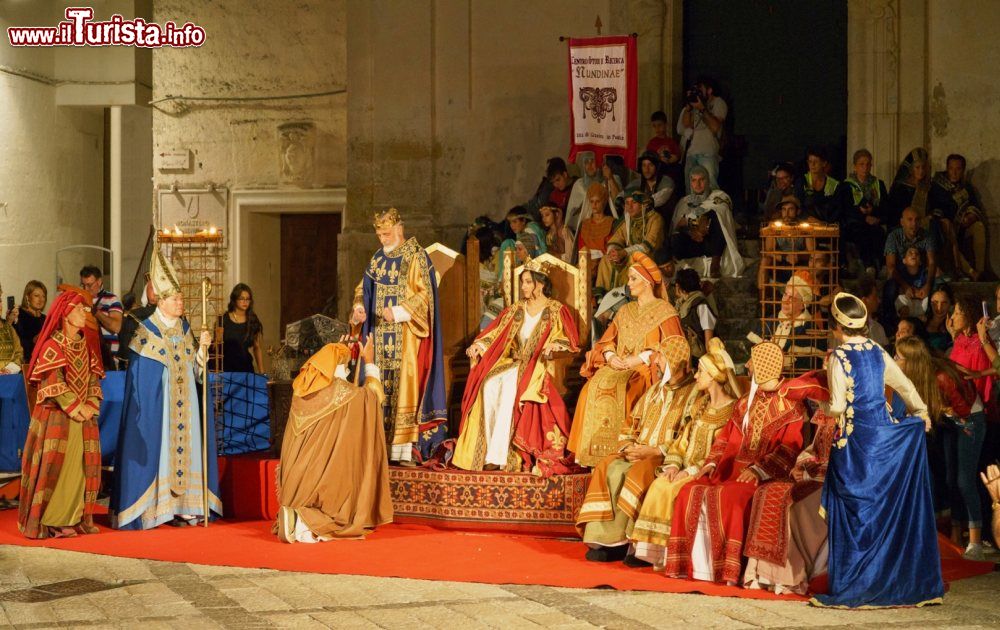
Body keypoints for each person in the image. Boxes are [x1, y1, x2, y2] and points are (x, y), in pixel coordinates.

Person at [810, 293, 942, 608]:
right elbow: (905, 385)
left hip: (856, 444)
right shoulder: (877, 350)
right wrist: (921, 413)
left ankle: (856, 583)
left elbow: (840, 406)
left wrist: (821, 405)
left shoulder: (839, 357)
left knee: (856, 515)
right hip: (882, 439)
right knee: (881, 512)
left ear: (836, 326)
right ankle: (888, 578)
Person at [664, 341, 808, 585]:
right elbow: (725, 438)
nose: (748, 366)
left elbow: (789, 449)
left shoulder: (792, 406)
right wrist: (710, 463)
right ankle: (693, 567)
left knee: (731, 498)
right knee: (689, 490)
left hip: (765, 475)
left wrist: (758, 470)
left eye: (753, 361)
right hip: (729, 470)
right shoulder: (744, 403)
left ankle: (726, 570)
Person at [110, 245, 222, 529]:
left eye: (181, 298)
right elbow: (141, 381)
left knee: (189, 451)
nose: (180, 303)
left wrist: (203, 352)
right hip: (161, 410)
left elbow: (196, 373)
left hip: (186, 407)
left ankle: (186, 507)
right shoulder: (146, 330)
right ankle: (158, 508)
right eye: (175, 298)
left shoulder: (185, 330)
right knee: (161, 452)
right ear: (161, 300)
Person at [577, 335, 699, 563]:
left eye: (661, 357)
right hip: (638, 451)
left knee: (634, 474)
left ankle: (635, 546)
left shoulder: (694, 395)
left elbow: (689, 436)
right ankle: (608, 542)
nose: (656, 362)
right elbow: (631, 423)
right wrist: (629, 445)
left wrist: (655, 451)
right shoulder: (654, 391)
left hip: (664, 457)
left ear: (674, 360)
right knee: (608, 467)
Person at [454, 260, 580, 476]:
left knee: (510, 390)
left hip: (538, 364)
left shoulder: (555, 310)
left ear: (540, 285)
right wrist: (479, 345)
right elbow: (495, 334)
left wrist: (554, 346)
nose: (523, 287)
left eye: (528, 282)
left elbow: (569, 339)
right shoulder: (516, 309)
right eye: (522, 282)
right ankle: (487, 454)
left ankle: (504, 456)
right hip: (513, 362)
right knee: (489, 384)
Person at [630, 338, 740, 569]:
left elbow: (720, 452)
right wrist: (672, 465)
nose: (696, 376)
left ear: (712, 376)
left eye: (700, 372)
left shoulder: (730, 412)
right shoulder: (700, 405)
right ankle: (655, 552)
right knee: (660, 484)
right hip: (683, 467)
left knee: (674, 491)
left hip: (706, 471)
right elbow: (683, 440)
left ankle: (673, 553)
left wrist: (689, 470)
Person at [351, 208, 448, 465]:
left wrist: (398, 311)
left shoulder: (416, 256)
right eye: (380, 235)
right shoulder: (377, 259)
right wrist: (359, 306)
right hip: (379, 337)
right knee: (377, 385)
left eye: (386, 233)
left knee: (403, 389)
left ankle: (403, 450)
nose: (383, 239)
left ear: (399, 229)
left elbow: (425, 296)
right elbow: (363, 287)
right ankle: (377, 446)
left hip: (405, 337)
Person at [568, 252, 683, 467]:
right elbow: (606, 341)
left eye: (633, 279)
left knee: (629, 392)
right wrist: (610, 356)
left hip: (645, 370)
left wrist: (640, 358)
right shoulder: (624, 310)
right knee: (589, 389)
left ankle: (622, 451)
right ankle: (589, 454)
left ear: (647, 283)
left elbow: (675, 350)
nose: (628, 283)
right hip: (617, 366)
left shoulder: (665, 312)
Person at [274, 338, 393, 543]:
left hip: (294, 484)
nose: (346, 372)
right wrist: (370, 362)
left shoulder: (300, 392)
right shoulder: (342, 393)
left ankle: (294, 514)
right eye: (345, 366)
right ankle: (303, 520)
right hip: (320, 483)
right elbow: (373, 397)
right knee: (337, 504)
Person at [17, 286, 104, 539]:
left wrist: (89, 405)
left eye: (86, 309)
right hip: (58, 416)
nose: (84, 313)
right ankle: (53, 518)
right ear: (66, 313)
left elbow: (92, 380)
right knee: (57, 467)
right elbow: (54, 382)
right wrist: (77, 409)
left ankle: (75, 516)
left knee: (81, 467)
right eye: (79, 308)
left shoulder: (86, 346)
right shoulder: (52, 347)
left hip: (82, 417)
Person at [896, 335, 986, 561]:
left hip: (969, 421)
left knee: (964, 480)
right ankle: (956, 535)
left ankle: (975, 542)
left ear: (912, 361)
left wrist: (948, 413)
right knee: (949, 477)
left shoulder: (940, 377)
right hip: (949, 421)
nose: (895, 360)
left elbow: (962, 411)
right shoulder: (916, 378)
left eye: (899, 357)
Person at [670, 166, 744, 279]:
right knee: (676, 239)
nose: (698, 184)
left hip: (713, 243)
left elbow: (723, 212)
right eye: (694, 180)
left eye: (701, 179)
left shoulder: (719, 196)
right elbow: (678, 225)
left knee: (715, 215)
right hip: (694, 242)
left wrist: (698, 219)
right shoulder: (684, 201)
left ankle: (715, 264)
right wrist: (692, 231)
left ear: (708, 180)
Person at [930, 154, 987, 280]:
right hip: (944, 230)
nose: (954, 173)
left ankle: (981, 270)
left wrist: (971, 217)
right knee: (948, 232)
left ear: (963, 170)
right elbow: (934, 210)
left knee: (979, 226)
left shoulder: (966, 187)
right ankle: (972, 273)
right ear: (947, 168)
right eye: (951, 168)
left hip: (962, 228)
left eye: (958, 169)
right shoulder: (937, 186)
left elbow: (975, 206)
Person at [881, 207, 937, 331]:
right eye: (910, 220)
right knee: (890, 287)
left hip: (919, 275)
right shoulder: (894, 237)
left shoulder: (927, 236)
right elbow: (891, 266)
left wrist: (927, 285)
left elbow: (932, 262)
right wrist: (905, 286)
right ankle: (890, 324)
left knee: (937, 286)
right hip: (900, 276)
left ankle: (929, 324)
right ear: (902, 222)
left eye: (917, 220)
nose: (914, 224)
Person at [842, 149, 889, 272]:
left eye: (868, 164)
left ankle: (883, 265)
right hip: (855, 222)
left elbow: (886, 206)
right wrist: (862, 215)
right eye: (861, 164)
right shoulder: (847, 185)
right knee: (862, 232)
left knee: (878, 232)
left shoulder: (878, 184)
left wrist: (874, 212)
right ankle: (868, 265)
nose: (865, 168)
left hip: (875, 220)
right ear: (855, 166)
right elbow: (845, 208)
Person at [676, 77, 727, 191]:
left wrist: (702, 109)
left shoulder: (718, 103)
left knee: (710, 187)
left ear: (709, 90)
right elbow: (686, 125)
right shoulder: (694, 104)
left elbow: (715, 127)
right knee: (690, 189)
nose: (697, 92)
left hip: (707, 153)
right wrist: (689, 108)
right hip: (691, 153)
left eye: (700, 89)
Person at [758, 195, 816, 292]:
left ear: (798, 211)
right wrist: (785, 257)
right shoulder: (774, 227)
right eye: (784, 210)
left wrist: (798, 256)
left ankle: (814, 300)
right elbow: (768, 251)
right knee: (764, 261)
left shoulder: (805, 227)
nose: (786, 213)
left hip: (800, 266)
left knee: (815, 262)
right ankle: (763, 300)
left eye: (791, 209)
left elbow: (812, 251)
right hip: (780, 265)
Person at [79, 265, 123, 371]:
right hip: (86, 360)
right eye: (83, 285)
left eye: (89, 285)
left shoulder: (112, 299)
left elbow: (116, 327)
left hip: (108, 360)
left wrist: (95, 312)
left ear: (99, 282)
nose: (86, 289)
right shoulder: (80, 300)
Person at [218, 283, 264, 373]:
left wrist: (262, 373)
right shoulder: (223, 319)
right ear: (234, 299)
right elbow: (217, 346)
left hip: (246, 369)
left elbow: (257, 347)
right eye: (242, 299)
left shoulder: (253, 319)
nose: (245, 302)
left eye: (247, 299)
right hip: (226, 370)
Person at [116, 277, 158, 370]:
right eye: (151, 288)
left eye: (158, 287)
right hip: (139, 364)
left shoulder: (172, 315)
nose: (155, 292)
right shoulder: (132, 316)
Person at [674, 268, 716, 359]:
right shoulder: (681, 304)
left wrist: (709, 360)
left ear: (679, 287)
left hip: (699, 357)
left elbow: (709, 337)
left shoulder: (701, 305)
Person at [795, 147, 843, 225]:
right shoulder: (802, 181)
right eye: (810, 161)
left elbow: (838, 210)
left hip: (828, 228)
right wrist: (807, 218)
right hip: (806, 226)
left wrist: (823, 223)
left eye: (816, 161)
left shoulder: (834, 184)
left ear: (824, 163)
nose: (812, 165)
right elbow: (797, 206)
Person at [885, 147, 931, 229]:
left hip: (924, 224)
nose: (921, 171)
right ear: (911, 169)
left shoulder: (929, 186)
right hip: (903, 226)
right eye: (917, 167)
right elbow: (893, 212)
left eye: (923, 167)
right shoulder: (900, 187)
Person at [624, 151, 675, 222]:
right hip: (641, 223)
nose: (647, 169)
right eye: (644, 165)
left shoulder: (666, 181)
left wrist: (643, 201)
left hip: (661, 222)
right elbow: (624, 195)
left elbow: (660, 198)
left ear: (657, 167)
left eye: (650, 165)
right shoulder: (636, 182)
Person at [577, 182, 615, 259]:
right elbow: (581, 248)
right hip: (586, 261)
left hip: (604, 263)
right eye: (591, 201)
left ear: (603, 202)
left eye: (597, 201)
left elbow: (612, 247)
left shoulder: (610, 222)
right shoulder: (585, 224)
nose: (594, 205)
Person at [12, 280, 47, 363]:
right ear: (27, 297)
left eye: (43, 296)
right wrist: (33, 340)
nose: (41, 299)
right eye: (36, 296)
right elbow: (15, 342)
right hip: (24, 363)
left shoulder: (45, 319)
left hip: (42, 362)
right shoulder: (18, 314)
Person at [0, 283, 24, 374]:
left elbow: (19, 353)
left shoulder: (9, 328)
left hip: (8, 382)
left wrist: (9, 370)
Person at [925, 285, 955, 353]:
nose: (939, 307)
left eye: (944, 303)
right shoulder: (921, 322)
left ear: (950, 303)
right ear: (930, 302)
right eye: (935, 303)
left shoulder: (953, 325)